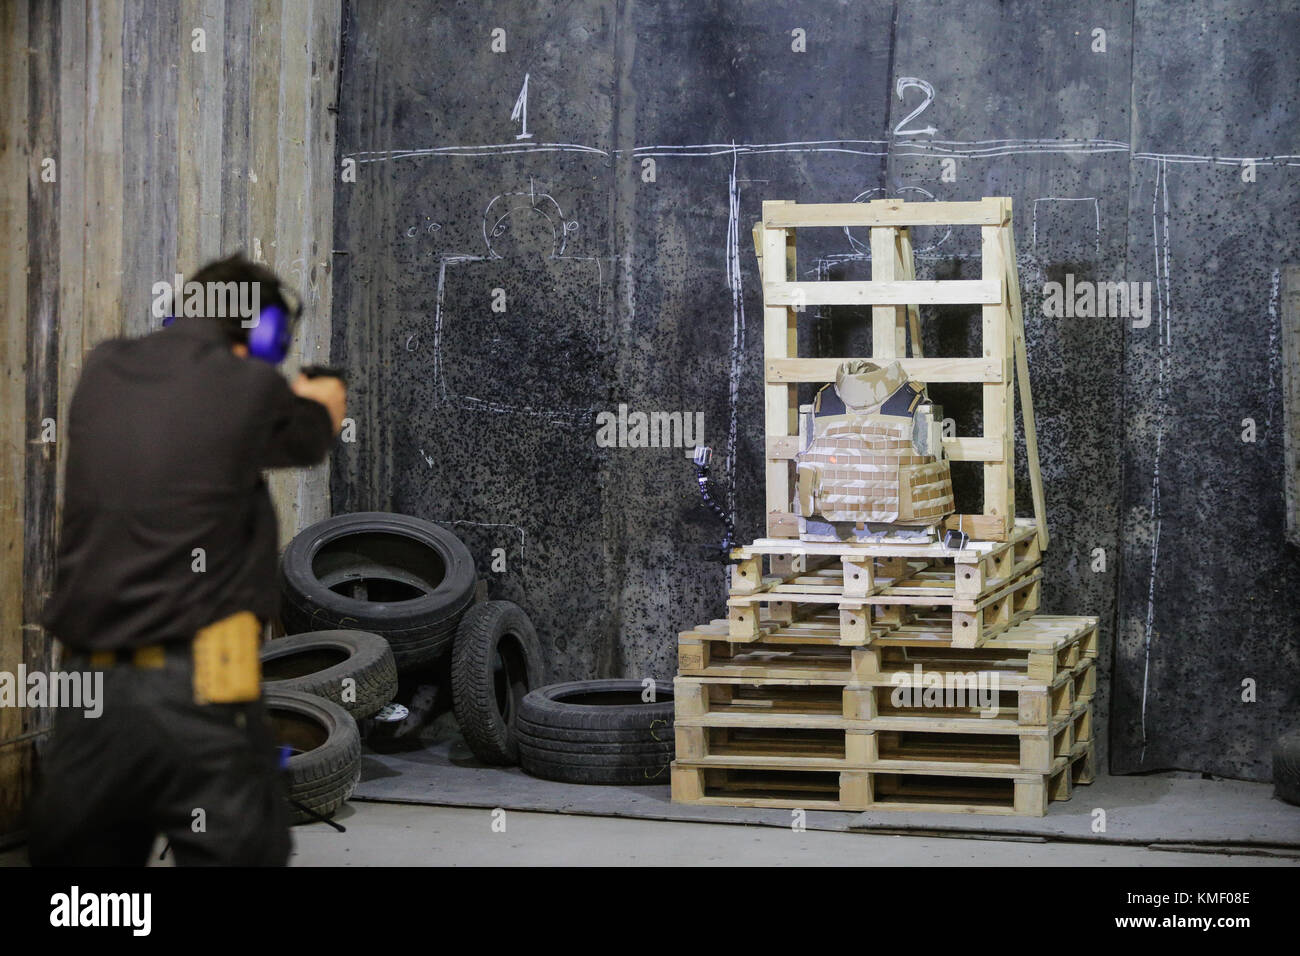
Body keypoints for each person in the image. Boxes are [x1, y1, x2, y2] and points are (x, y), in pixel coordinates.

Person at [27, 253, 346, 866]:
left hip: (89, 688)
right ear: (262, 333)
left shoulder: (105, 369)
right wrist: (324, 394)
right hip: (198, 687)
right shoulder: (250, 387)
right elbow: (308, 437)